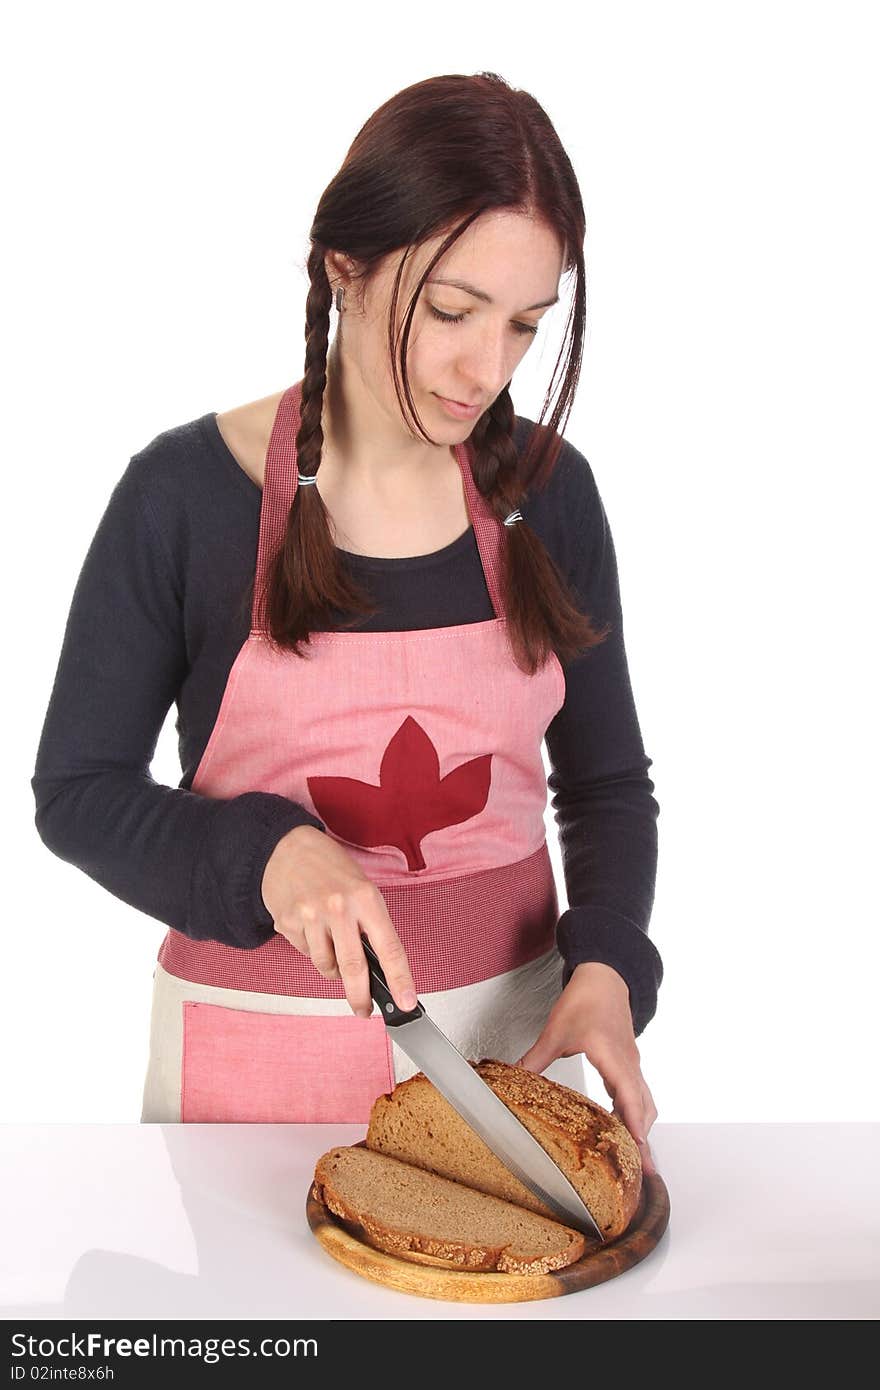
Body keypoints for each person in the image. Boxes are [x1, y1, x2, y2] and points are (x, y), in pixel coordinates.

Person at [31, 71, 663, 1175]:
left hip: (511, 1059)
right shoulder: (188, 496)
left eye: (525, 324)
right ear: (345, 266)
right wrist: (263, 852)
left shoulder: (551, 496)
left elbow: (605, 785)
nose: (489, 368)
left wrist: (606, 966)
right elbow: (77, 793)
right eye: (454, 311)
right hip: (251, 1075)